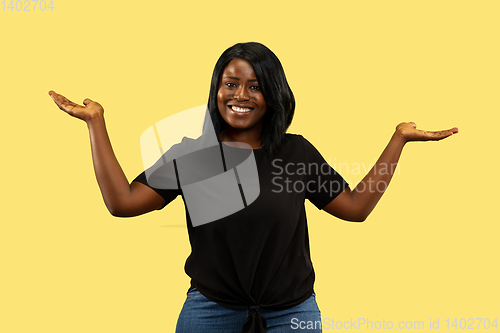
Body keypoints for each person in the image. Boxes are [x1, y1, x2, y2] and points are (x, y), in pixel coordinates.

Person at [49, 42, 458, 333]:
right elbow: (122, 203)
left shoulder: (295, 152)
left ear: (272, 93)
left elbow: (356, 207)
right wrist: (96, 123)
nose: (240, 95)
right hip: (210, 312)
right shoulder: (195, 155)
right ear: (216, 90)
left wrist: (398, 141)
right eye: (230, 84)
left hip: (291, 315)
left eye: (255, 85)